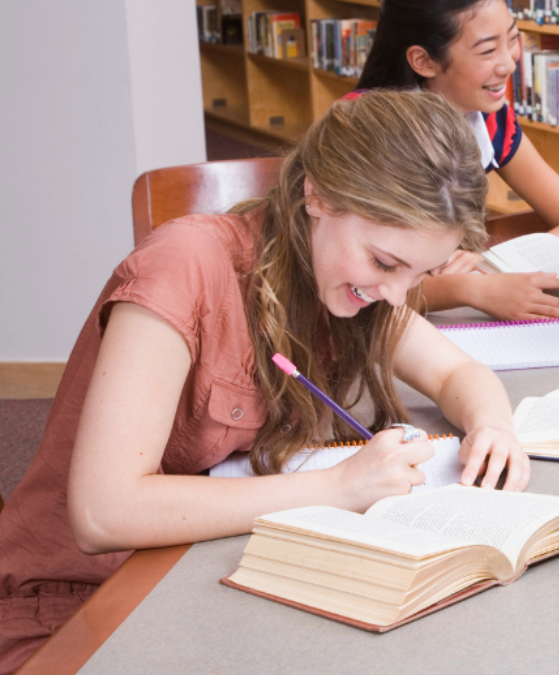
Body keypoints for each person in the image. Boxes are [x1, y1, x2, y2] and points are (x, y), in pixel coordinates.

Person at [0, 91, 531, 674]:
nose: (398, 296)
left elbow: (458, 371)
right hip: (84, 607)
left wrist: (493, 425)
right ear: (319, 195)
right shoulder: (182, 266)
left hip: (206, 572)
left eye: (421, 274)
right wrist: (337, 486)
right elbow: (103, 512)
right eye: (384, 263)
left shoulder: (346, 274)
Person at [353, 0, 559, 320]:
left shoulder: (490, 120)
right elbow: (359, 289)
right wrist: (470, 287)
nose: (508, 63)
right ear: (423, 61)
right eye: (488, 51)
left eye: (513, 39)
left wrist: (492, 263)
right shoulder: (369, 133)